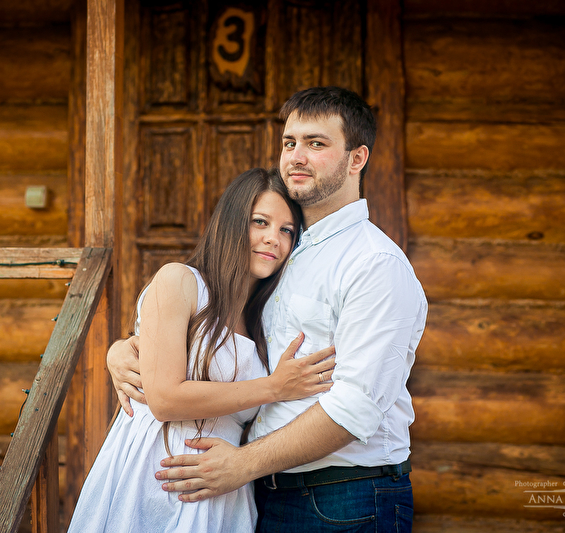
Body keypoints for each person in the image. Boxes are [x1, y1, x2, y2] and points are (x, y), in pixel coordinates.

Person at [109, 86, 428, 532]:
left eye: (316, 143)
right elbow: (218, 340)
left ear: (357, 158)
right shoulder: (282, 255)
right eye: (289, 142)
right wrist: (126, 348)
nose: (297, 156)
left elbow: (356, 407)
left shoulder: (374, 263)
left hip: (344, 495)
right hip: (261, 492)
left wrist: (244, 463)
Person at [67, 167, 337, 533]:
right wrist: (274, 387)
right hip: (156, 475)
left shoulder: (265, 320)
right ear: (231, 222)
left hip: (222, 490)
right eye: (260, 222)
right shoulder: (180, 281)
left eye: (286, 230)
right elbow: (164, 399)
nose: (273, 238)